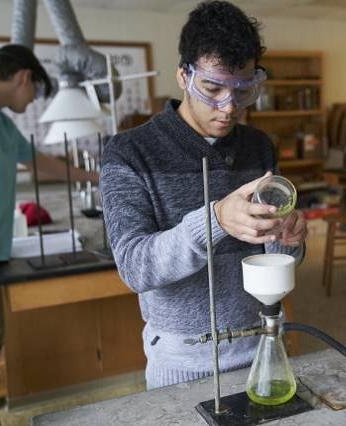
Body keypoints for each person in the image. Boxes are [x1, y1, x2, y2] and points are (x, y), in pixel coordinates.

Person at [100, 0, 308, 390]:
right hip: (181, 362)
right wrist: (214, 221)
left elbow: (274, 254)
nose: (229, 108)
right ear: (184, 76)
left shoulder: (258, 146)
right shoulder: (129, 153)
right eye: (212, 89)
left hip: (262, 346)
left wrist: (288, 240)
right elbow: (134, 267)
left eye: (243, 91)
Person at [0, 43, 98, 423]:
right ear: (24, 77)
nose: (34, 100)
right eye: (36, 91)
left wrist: (96, 176)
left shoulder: (2, 123)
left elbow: (43, 166)